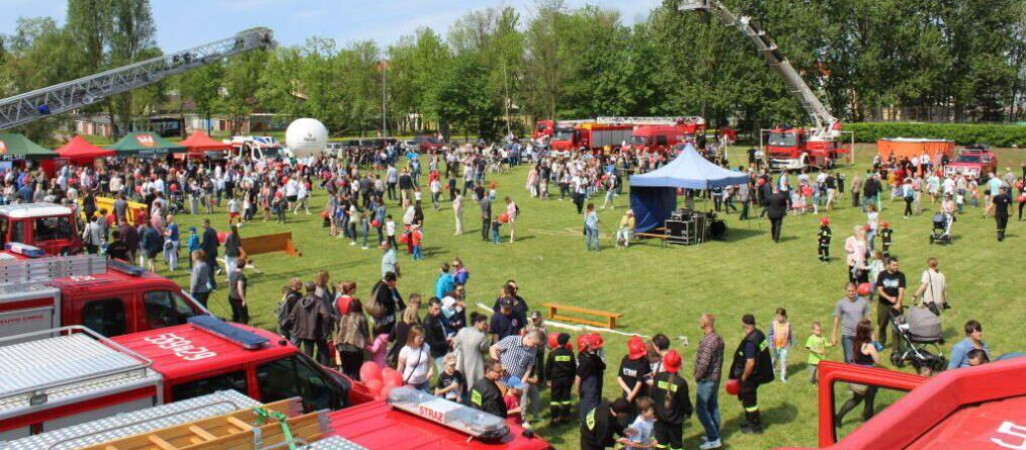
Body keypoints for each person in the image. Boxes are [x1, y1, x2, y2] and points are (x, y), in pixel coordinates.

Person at [728, 314, 773, 434]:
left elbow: (750, 363)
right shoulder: (760, 334)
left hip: (750, 377)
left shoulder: (750, 343)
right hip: (759, 374)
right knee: (749, 400)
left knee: (749, 402)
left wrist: (743, 377)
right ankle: (750, 421)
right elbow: (764, 352)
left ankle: (755, 426)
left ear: (744, 324)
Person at [490, 330, 543, 427]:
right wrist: (497, 363)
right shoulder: (511, 340)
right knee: (499, 406)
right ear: (529, 338)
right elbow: (493, 348)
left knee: (515, 407)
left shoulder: (533, 350)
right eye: (535, 344)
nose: (535, 347)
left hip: (516, 384)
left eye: (537, 345)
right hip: (501, 382)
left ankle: (517, 424)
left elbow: (529, 368)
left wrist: (521, 383)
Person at [835, 320, 880, 424]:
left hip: (857, 376)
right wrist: (874, 343)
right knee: (869, 401)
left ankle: (838, 418)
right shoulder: (869, 346)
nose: (873, 332)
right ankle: (868, 425)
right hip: (868, 378)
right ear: (867, 333)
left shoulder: (856, 342)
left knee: (856, 400)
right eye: (871, 331)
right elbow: (877, 361)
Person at [694, 313, 724, 449]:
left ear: (706, 323)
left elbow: (703, 364)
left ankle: (713, 439)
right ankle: (715, 433)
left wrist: (697, 376)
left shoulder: (707, 342)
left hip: (707, 380)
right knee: (713, 406)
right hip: (716, 378)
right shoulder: (718, 338)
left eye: (701, 320)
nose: (699, 322)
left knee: (701, 409)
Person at [651, 350, 692, 450]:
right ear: (679, 365)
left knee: (660, 445)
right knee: (676, 446)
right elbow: (685, 403)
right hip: (675, 421)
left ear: (664, 364)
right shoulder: (681, 383)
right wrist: (688, 412)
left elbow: (652, 396)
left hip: (659, 419)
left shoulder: (658, 377)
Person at [285, 282, 333, 363]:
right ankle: (325, 369)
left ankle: (310, 370)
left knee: (308, 354)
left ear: (306, 290)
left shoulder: (300, 302)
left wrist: (295, 328)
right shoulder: (319, 301)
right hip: (318, 332)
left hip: (305, 332)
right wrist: (326, 328)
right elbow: (326, 316)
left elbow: (292, 316)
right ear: (315, 289)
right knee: (324, 351)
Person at [833, 283, 870, 364]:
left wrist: (870, 334)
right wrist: (834, 335)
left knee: (860, 359)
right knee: (849, 358)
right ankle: (847, 375)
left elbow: (868, 318)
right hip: (847, 335)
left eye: (853, 291)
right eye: (849, 291)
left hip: (860, 335)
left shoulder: (863, 302)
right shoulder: (841, 303)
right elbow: (837, 319)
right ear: (845, 291)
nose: (851, 293)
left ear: (856, 290)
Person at [875, 257, 906, 349]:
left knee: (897, 326)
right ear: (888, 265)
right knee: (882, 324)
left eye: (897, 265)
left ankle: (896, 348)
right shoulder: (882, 275)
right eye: (894, 265)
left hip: (896, 305)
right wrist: (889, 298)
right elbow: (880, 290)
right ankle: (881, 342)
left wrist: (898, 303)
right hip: (883, 304)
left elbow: (901, 290)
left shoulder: (901, 275)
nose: (896, 267)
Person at [545, 332, 576, 426]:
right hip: (567, 380)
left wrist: (548, 380)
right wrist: (573, 378)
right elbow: (573, 367)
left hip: (556, 380)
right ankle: (565, 417)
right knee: (566, 398)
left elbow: (548, 368)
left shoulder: (553, 354)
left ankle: (554, 418)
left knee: (555, 399)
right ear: (566, 342)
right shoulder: (570, 353)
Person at [455, 312, 490, 389]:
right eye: (484, 324)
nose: (485, 326)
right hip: (475, 366)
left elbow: (455, 344)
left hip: (460, 362)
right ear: (477, 323)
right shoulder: (481, 336)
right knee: (474, 387)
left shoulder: (463, 330)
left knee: (460, 386)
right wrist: (486, 333)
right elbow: (485, 350)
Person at [336, 299, 370, 379]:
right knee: (355, 371)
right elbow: (366, 334)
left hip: (342, 346)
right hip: (355, 346)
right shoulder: (361, 318)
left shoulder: (344, 317)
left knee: (346, 370)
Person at [576, 334, 606, 421]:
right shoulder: (587, 360)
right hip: (589, 382)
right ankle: (590, 422)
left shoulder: (585, 356)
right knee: (590, 403)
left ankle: (586, 420)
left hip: (592, 380)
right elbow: (578, 376)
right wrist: (577, 388)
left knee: (590, 400)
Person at [397, 325, 434, 391]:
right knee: (412, 401)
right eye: (420, 338)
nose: (422, 339)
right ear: (412, 337)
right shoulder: (405, 350)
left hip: (424, 382)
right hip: (411, 383)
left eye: (423, 337)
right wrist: (399, 382)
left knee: (426, 401)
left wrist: (431, 370)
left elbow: (430, 360)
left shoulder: (425, 346)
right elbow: (400, 368)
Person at [617, 336, 651, 403]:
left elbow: (619, 378)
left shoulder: (625, 359)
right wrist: (631, 397)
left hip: (626, 394)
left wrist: (628, 392)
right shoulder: (643, 363)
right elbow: (639, 383)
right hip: (640, 397)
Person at [423, 297, 450, 374]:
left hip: (445, 348)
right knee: (444, 374)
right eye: (436, 309)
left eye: (439, 309)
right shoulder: (428, 322)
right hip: (438, 354)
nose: (438, 311)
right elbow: (431, 343)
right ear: (429, 307)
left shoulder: (438, 315)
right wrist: (446, 342)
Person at [767, 308, 793, 383]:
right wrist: (770, 343)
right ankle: (772, 369)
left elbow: (790, 334)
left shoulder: (788, 324)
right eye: (777, 316)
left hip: (784, 346)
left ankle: (783, 377)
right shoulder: (774, 324)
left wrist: (791, 342)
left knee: (783, 361)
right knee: (775, 358)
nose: (778, 318)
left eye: (780, 317)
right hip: (776, 345)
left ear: (784, 316)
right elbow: (770, 334)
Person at [227, 256, 249, 324]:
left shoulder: (232, 273)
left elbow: (229, 284)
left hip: (231, 296)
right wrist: (243, 299)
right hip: (238, 298)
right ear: (244, 266)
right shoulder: (241, 276)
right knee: (243, 317)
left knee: (235, 315)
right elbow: (240, 288)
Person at [200, 219, 219, 285]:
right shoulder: (213, 231)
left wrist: (203, 252)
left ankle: (212, 284)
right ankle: (212, 282)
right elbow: (217, 242)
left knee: (209, 269)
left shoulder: (206, 232)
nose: (202, 225)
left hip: (208, 253)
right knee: (211, 268)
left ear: (208, 223)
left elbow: (205, 244)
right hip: (214, 251)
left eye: (203, 223)